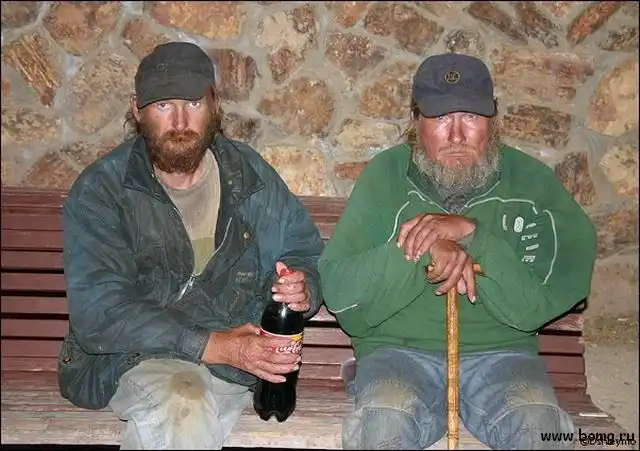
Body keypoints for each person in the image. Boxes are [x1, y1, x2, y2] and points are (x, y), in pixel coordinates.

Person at [318, 52, 597, 450]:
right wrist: (426, 246)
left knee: (540, 428)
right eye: (440, 117)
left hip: (504, 357)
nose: (456, 135)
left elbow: (537, 303)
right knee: (383, 424)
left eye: (470, 116)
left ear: (493, 121)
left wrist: (474, 235)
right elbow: (340, 290)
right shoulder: (384, 177)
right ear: (416, 122)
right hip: (399, 356)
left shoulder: (532, 185)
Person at [59, 41, 325, 449]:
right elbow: (101, 312)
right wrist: (214, 346)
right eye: (163, 105)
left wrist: (302, 284)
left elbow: (302, 250)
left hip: (236, 368)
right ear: (137, 109)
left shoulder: (249, 177)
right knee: (183, 401)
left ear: (215, 105)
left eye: (193, 103)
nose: (180, 121)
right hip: (136, 359)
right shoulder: (103, 191)